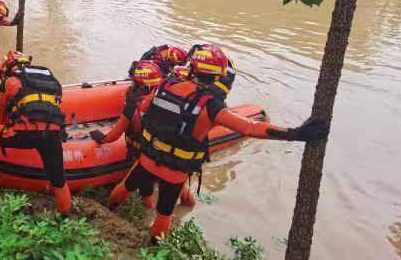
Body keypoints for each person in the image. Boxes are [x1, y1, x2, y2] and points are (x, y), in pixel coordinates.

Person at [105, 44, 329, 243]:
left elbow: (143, 110)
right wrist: (297, 133)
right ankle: (154, 248)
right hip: (175, 171)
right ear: (217, 78)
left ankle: (107, 212)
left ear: (191, 67)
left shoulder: (162, 86)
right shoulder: (211, 106)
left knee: (125, 188)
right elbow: (250, 128)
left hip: (148, 158)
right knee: (164, 214)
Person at [0, 51, 71, 214]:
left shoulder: (9, 82)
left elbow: (2, 119)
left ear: (9, 68)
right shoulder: (50, 80)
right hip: (52, 133)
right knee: (59, 181)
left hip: (24, 133)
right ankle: (66, 213)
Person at [90, 60, 196, 209]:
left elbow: (114, 135)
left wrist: (101, 138)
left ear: (139, 85)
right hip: (168, 156)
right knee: (174, 185)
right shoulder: (169, 104)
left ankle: (111, 209)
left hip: (145, 157)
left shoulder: (133, 108)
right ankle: (189, 206)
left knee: (136, 188)